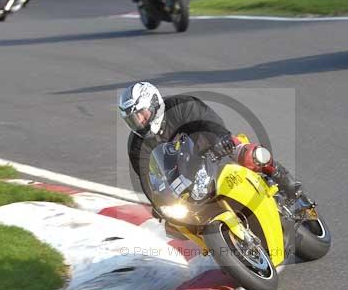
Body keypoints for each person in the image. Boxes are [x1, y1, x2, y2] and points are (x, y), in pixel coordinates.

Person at [118, 82, 302, 206]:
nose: (140, 122)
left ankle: (283, 178)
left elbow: (209, 121)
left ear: (154, 104)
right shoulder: (137, 145)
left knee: (248, 154)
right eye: (133, 119)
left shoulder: (181, 105)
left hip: (214, 148)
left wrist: (222, 138)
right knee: (177, 224)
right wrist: (158, 204)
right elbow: (146, 178)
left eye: (141, 114)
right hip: (184, 175)